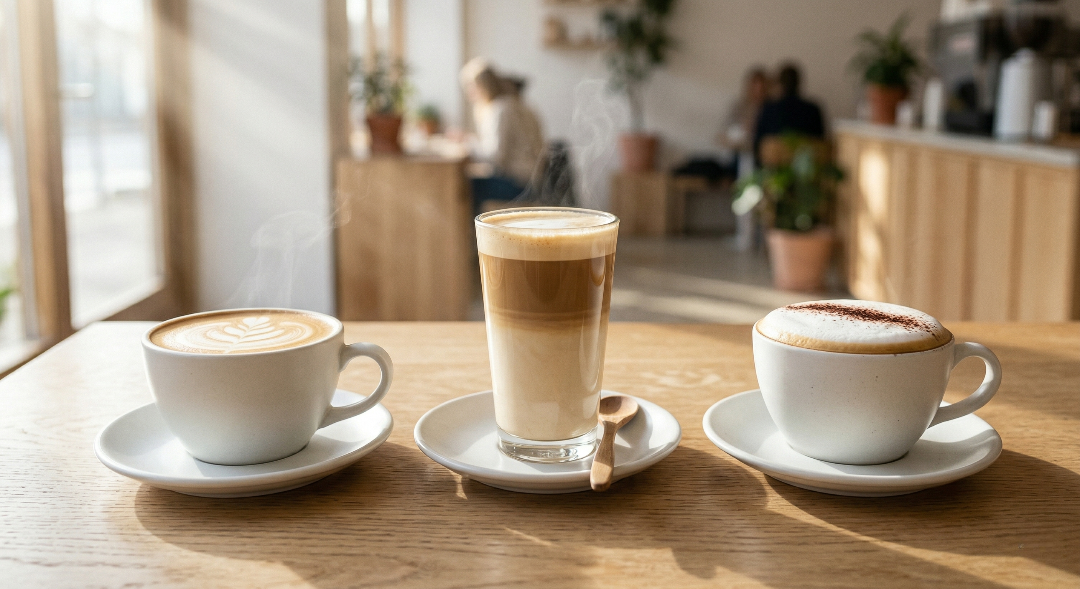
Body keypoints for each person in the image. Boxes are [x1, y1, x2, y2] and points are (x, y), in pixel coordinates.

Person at [460, 58, 545, 212]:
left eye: (470, 87)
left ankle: (474, 234)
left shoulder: (501, 109)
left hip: (520, 186)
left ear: (481, 86)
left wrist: (468, 142)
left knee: (463, 184)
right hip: (533, 182)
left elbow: (495, 157)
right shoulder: (517, 104)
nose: (468, 93)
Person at [752, 62, 825, 165]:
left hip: (773, 172)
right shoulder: (813, 110)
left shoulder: (769, 109)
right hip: (807, 174)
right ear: (799, 83)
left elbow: (758, 146)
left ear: (780, 84)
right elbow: (821, 143)